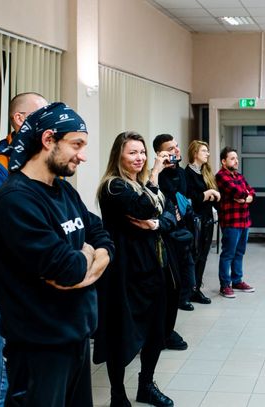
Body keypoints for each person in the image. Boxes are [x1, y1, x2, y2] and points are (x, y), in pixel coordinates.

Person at [0, 102, 114, 406]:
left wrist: (88, 257)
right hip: (38, 346)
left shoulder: (64, 190)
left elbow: (102, 236)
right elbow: (67, 269)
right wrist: (86, 256)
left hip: (75, 336)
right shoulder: (16, 200)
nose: (82, 155)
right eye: (76, 144)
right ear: (48, 140)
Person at [0, 92, 48, 407]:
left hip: (39, 275)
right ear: (20, 119)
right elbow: (7, 226)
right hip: (13, 281)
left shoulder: (35, 161)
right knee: (6, 368)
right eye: (41, 116)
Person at [95, 131, 175, 407]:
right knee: (120, 334)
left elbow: (170, 214)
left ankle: (146, 385)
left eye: (142, 152)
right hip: (125, 272)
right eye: (133, 152)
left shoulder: (140, 184)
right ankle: (117, 395)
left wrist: (156, 223)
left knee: (156, 331)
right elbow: (145, 209)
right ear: (118, 155)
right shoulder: (113, 187)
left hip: (153, 267)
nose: (140, 158)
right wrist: (155, 176)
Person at [153, 134, 197, 312]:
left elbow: (184, 197)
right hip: (166, 228)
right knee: (172, 268)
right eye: (170, 149)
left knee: (188, 264)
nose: (177, 150)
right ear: (159, 153)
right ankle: (174, 299)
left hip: (183, 224)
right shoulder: (157, 174)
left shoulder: (181, 172)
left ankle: (185, 296)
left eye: (176, 146)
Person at [216, 146, 256, 298]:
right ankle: (225, 285)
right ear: (224, 161)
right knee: (228, 254)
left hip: (244, 221)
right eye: (232, 158)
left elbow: (251, 191)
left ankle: (237, 281)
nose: (236, 161)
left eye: (237, 158)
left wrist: (247, 196)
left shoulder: (239, 176)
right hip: (231, 222)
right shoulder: (221, 176)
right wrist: (246, 195)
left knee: (239, 253)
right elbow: (238, 192)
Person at [184, 140, 220, 304]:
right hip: (194, 221)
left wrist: (209, 195)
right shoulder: (187, 174)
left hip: (207, 220)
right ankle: (189, 290)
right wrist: (208, 193)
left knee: (203, 256)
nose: (208, 154)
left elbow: (215, 198)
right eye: (204, 151)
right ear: (195, 153)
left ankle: (196, 289)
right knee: (194, 255)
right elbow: (191, 200)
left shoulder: (206, 172)